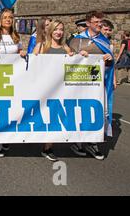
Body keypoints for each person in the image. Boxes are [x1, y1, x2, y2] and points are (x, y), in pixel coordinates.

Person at [68, 10, 113, 160]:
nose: (99, 24)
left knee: (99, 111)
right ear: (88, 24)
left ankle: (93, 142)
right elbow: (67, 59)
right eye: (96, 22)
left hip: (97, 82)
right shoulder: (76, 39)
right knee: (80, 111)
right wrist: (78, 55)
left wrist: (108, 59)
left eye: (101, 22)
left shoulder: (104, 40)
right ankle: (78, 142)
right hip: (78, 81)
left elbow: (110, 63)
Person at [0, 8, 27, 158]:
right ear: (0, 20)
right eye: (5, 17)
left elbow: (20, 51)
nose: (8, 20)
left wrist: (22, 53)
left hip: (13, 78)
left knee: (10, 109)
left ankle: (6, 137)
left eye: (11, 17)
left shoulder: (16, 36)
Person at [33, 20, 74, 161]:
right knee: (41, 116)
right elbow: (32, 66)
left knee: (54, 118)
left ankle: (48, 148)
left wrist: (83, 55)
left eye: (61, 29)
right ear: (50, 30)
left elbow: (76, 62)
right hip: (44, 89)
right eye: (56, 29)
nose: (59, 32)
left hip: (60, 89)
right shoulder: (41, 46)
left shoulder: (66, 48)